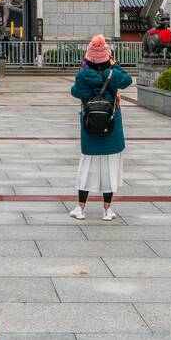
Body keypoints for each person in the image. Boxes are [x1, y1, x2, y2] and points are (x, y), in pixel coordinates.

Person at [70, 34, 132, 221]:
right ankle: (107, 210)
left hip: (90, 128)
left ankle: (80, 209)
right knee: (110, 168)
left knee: (86, 168)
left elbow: (75, 92)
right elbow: (127, 81)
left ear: (88, 58)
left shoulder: (82, 76)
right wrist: (114, 65)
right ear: (107, 58)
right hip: (111, 128)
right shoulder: (113, 75)